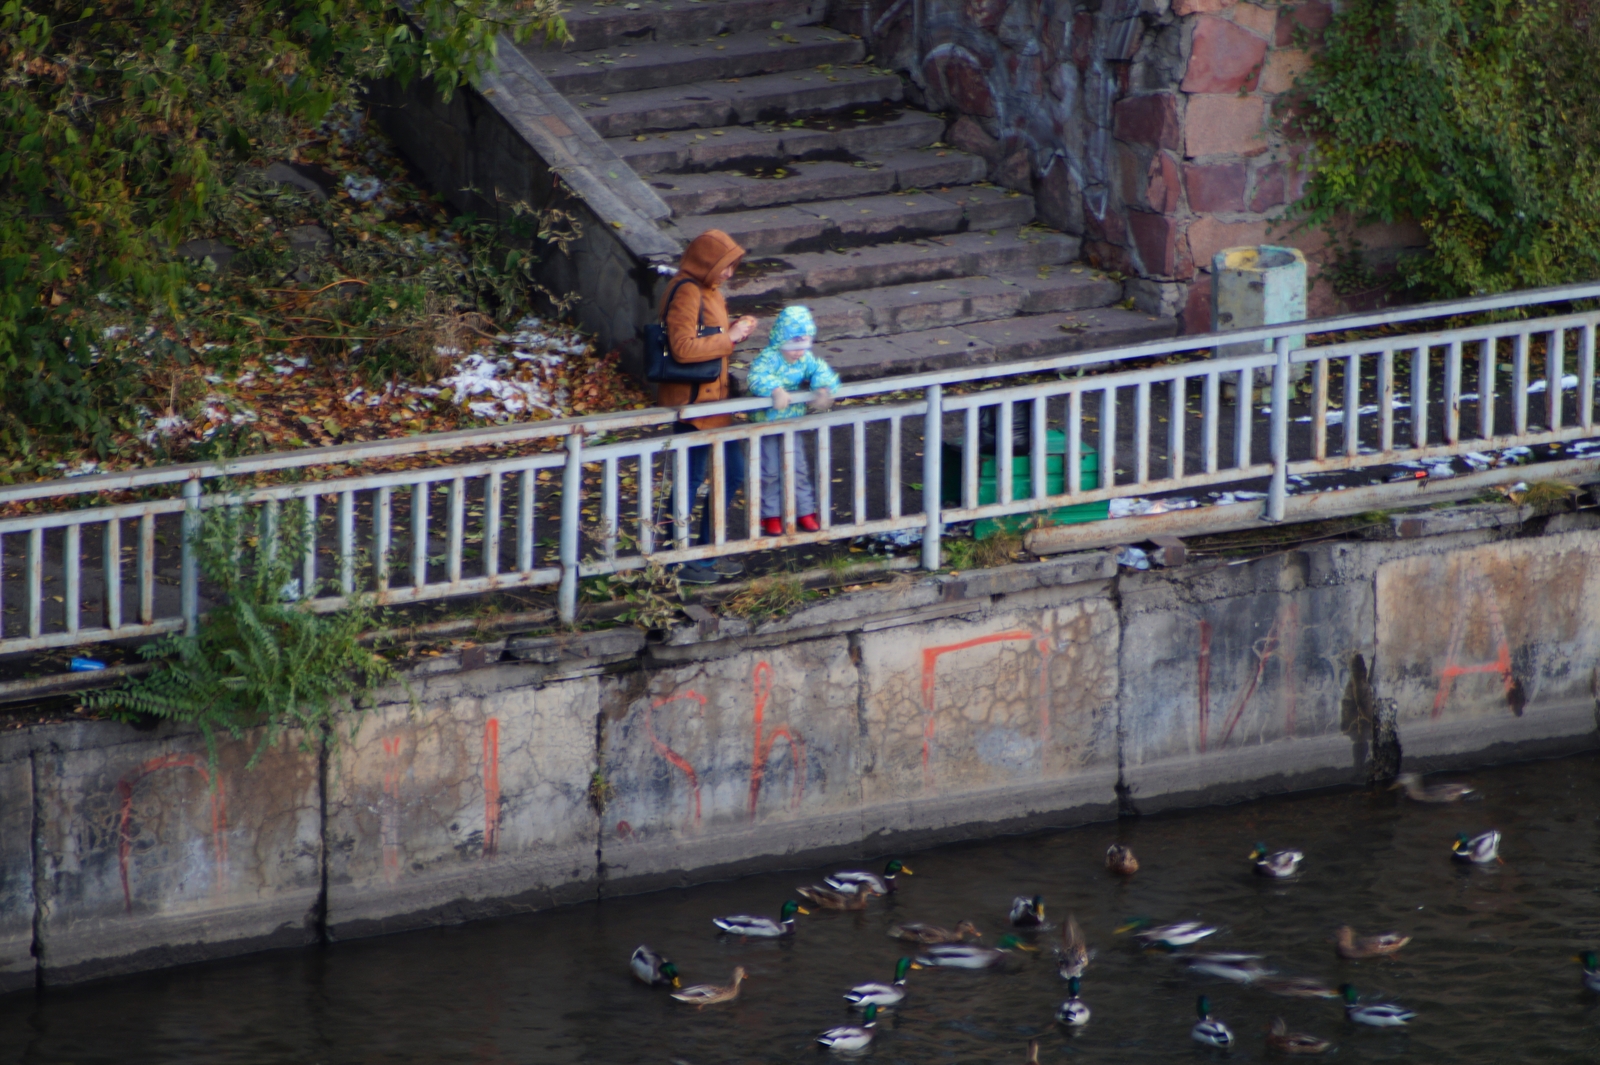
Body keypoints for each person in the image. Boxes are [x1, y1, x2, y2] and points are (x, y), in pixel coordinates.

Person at [655, 229, 759, 584]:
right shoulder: (687, 290)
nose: (729, 274)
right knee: (689, 480)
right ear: (706, 262)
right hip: (695, 405)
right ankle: (675, 560)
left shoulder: (707, 290)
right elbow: (682, 347)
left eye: (733, 267)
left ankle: (705, 552)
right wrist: (728, 338)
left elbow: (705, 338)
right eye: (725, 266)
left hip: (714, 404)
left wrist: (731, 331)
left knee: (731, 473)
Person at [745, 305, 840, 535]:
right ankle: (771, 515)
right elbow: (755, 377)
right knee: (769, 471)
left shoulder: (805, 359)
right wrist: (774, 390)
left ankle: (805, 511)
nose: (798, 352)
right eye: (793, 346)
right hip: (766, 423)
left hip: (791, 423)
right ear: (782, 341)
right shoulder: (769, 358)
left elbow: (822, 371)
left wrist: (823, 388)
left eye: (804, 346)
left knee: (798, 468)